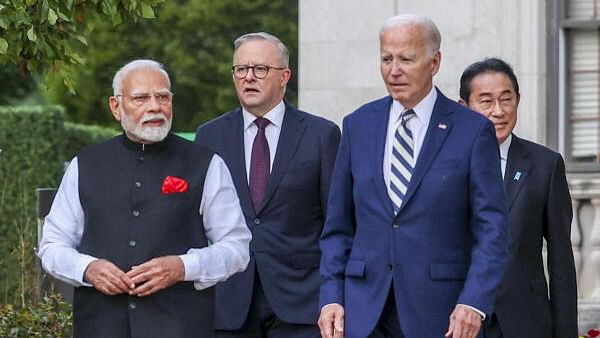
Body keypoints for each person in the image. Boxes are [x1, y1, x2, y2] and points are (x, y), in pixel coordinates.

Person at [318, 14, 509, 338]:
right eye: (386, 58)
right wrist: (331, 297)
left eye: (406, 59)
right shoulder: (357, 125)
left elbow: (491, 229)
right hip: (363, 314)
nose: (394, 70)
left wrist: (474, 303)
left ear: (434, 62)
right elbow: (338, 227)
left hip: (442, 314)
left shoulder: (472, 130)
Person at [38, 59, 251, 338]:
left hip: (180, 326)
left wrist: (182, 267)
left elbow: (236, 248)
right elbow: (52, 245)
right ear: (116, 106)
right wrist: (87, 268)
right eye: (141, 98)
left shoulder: (206, 163)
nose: (155, 106)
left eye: (163, 96)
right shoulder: (85, 164)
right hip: (100, 327)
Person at [195, 32, 341, 337]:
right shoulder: (210, 136)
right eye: (240, 69)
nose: (249, 77)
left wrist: (334, 296)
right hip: (230, 302)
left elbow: (336, 225)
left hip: (302, 302)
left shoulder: (321, 135)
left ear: (284, 76)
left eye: (260, 69)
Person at [459, 57, 578, 338]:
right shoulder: (442, 166)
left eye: (506, 99)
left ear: (518, 100)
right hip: (458, 320)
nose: (498, 111)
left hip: (525, 321)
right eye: (486, 101)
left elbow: (561, 261)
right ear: (464, 107)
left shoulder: (545, 165)